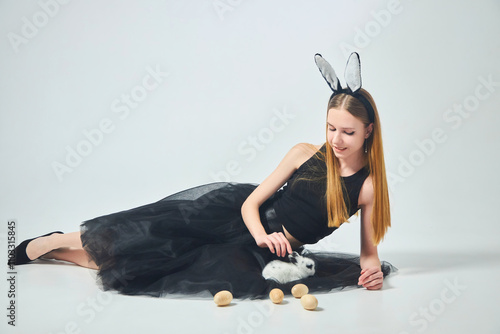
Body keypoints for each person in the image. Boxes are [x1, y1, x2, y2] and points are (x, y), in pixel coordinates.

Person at [8, 53, 395, 298]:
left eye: (347, 131)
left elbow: (368, 254)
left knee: (151, 267)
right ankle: (54, 241)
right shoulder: (303, 154)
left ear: (368, 132)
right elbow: (251, 202)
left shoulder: (366, 187)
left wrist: (372, 273)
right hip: (240, 219)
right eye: (331, 128)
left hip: (263, 252)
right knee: (145, 231)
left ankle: (59, 256)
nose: (336, 139)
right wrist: (263, 234)